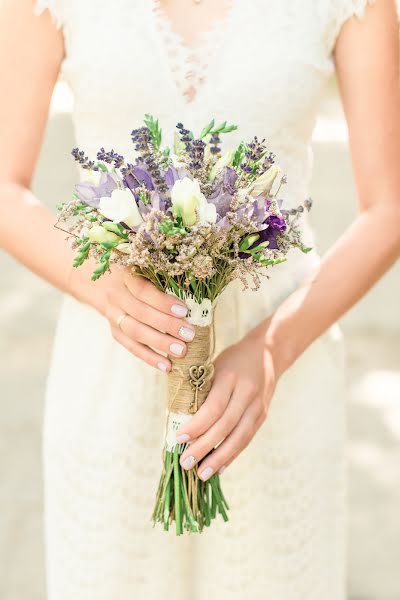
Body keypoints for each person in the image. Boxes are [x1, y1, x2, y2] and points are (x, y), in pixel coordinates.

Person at [0, 0, 399, 598]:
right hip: (110, 372)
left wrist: (272, 349)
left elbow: (389, 207)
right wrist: (103, 286)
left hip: (278, 374)